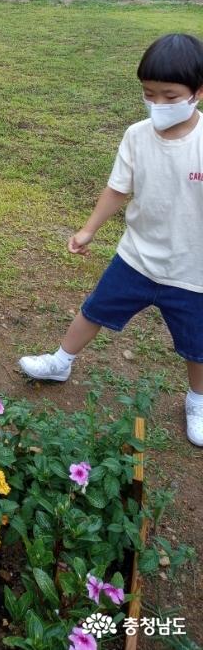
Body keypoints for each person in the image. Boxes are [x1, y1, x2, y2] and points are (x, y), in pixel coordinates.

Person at [19, 33, 203, 446]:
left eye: (169, 95)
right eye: (149, 94)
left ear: (197, 93)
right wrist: (89, 229)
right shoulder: (137, 135)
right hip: (137, 256)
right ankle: (61, 361)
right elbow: (119, 188)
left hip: (193, 269)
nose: (157, 105)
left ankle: (198, 400)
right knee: (94, 309)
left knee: (198, 344)